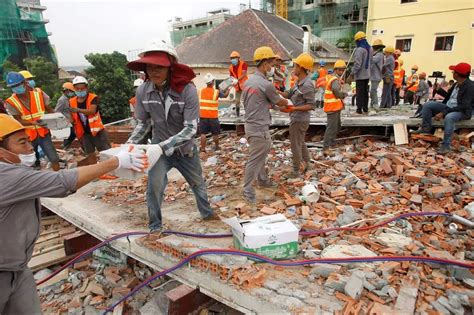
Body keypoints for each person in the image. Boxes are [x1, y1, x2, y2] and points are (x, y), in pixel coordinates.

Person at [0, 113, 146, 315]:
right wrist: (114, 162)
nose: (30, 147)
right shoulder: (6, 176)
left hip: (17, 267)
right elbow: (62, 182)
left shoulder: (11, 172)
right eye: (22, 143)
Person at [126, 39, 219, 233]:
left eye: (159, 66)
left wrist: (162, 146)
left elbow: (191, 129)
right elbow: (143, 124)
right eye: (149, 67)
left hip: (185, 150)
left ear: (170, 67)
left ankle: (207, 213)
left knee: (197, 184)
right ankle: (155, 227)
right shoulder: (143, 91)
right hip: (158, 150)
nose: (154, 71)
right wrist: (128, 146)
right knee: (154, 186)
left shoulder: (187, 90)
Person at [241, 46, 289, 203]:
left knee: (259, 154)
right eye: (271, 64)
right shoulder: (265, 84)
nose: (273, 68)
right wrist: (289, 104)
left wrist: (278, 107)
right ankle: (247, 190)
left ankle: (262, 180)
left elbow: (262, 102)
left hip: (250, 126)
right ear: (264, 64)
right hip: (259, 127)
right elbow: (279, 101)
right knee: (255, 159)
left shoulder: (249, 82)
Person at [4, 72, 61, 171]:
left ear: (25, 83)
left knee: (54, 158)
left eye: (18, 85)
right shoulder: (11, 102)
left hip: (43, 132)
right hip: (28, 136)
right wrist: (33, 123)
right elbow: (18, 120)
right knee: (30, 162)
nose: (16, 88)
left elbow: (49, 109)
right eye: (13, 87)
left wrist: (58, 119)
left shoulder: (39, 94)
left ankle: (59, 178)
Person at [412, 62, 474, 154]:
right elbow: (449, 99)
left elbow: (464, 105)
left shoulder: (470, 87)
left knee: (449, 117)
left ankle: (446, 145)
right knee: (428, 105)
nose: (452, 73)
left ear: (457, 74)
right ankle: (426, 129)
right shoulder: (456, 84)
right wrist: (438, 91)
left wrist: (443, 113)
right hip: (449, 107)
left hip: (462, 111)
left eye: (453, 72)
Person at [279, 53, 316, 177]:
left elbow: (311, 105)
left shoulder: (307, 85)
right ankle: (307, 164)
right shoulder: (298, 82)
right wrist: (273, 90)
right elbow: (288, 94)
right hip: (296, 117)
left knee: (295, 144)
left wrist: (294, 108)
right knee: (301, 142)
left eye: (295, 65)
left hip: (300, 119)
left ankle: (296, 171)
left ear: (301, 67)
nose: (293, 68)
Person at [69, 76, 111, 162]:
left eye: (82, 88)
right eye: (77, 89)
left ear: (86, 88)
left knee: (106, 152)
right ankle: (94, 171)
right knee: (90, 153)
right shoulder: (72, 101)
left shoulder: (93, 98)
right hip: (84, 133)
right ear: (74, 89)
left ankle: (110, 171)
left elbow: (92, 111)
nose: (80, 91)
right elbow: (72, 116)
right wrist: (70, 121)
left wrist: (78, 110)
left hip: (97, 131)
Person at [199, 73, 230, 152]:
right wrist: (228, 90)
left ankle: (203, 149)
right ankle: (216, 147)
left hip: (203, 116)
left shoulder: (200, 91)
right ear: (212, 82)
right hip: (213, 116)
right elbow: (226, 95)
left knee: (203, 133)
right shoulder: (216, 92)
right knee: (215, 133)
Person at [323, 60, 348, 155]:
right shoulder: (334, 80)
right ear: (336, 70)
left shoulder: (334, 79)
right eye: (340, 70)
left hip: (335, 107)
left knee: (337, 126)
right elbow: (336, 92)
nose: (341, 72)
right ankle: (326, 147)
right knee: (331, 128)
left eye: (342, 70)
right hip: (332, 108)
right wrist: (344, 94)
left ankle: (332, 143)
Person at [352, 31, 372, 114]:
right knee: (365, 93)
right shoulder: (370, 48)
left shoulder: (359, 50)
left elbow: (357, 65)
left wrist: (352, 73)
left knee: (359, 93)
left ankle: (359, 109)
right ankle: (365, 108)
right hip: (367, 75)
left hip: (360, 75)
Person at [55, 82, 76, 149]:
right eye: (71, 91)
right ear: (67, 91)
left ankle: (66, 146)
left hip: (70, 120)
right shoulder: (62, 100)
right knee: (72, 134)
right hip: (66, 121)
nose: (72, 93)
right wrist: (63, 120)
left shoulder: (68, 99)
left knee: (72, 134)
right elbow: (57, 111)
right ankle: (64, 146)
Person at [229, 51, 248, 117]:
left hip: (245, 86)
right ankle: (237, 115)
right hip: (237, 87)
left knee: (246, 101)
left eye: (234, 58)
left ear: (238, 58)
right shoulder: (231, 67)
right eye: (231, 58)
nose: (232, 59)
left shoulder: (243, 64)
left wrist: (237, 80)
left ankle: (248, 114)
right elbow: (231, 77)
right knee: (237, 101)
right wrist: (231, 82)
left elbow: (244, 74)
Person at [370, 39, 385, 108]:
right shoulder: (379, 54)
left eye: (374, 47)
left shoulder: (379, 55)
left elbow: (372, 60)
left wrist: (368, 54)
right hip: (375, 76)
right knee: (372, 91)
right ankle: (372, 104)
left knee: (373, 91)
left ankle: (375, 104)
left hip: (376, 76)